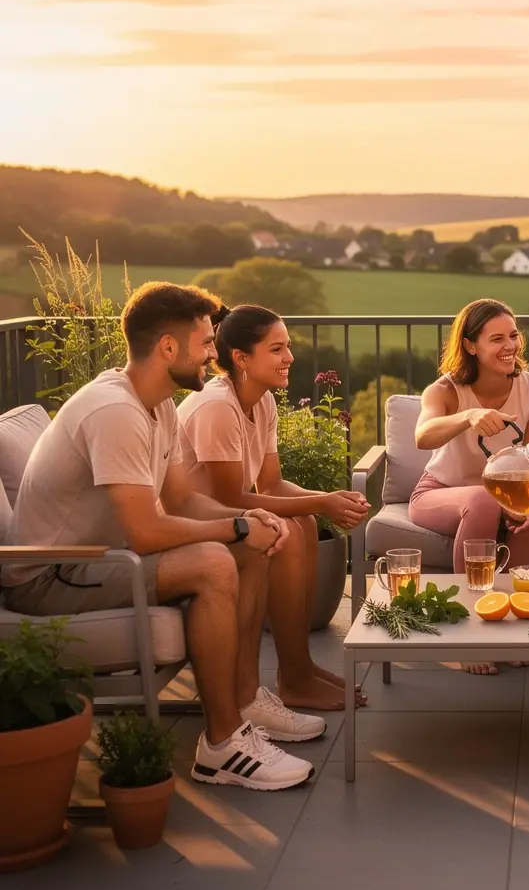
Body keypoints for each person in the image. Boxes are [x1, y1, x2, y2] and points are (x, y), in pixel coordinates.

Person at [3, 282, 321, 790]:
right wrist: (234, 527)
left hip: (102, 557)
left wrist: (247, 525)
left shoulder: (160, 405)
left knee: (248, 550)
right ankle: (221, 747)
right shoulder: (116, 411)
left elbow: (182, 501)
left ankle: (242, 704)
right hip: (51, 573)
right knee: (217, 562)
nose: (213, 356)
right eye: (205, 344)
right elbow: (147, 531)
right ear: (168, 347)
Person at [177, 305, 371, 712]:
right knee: (292, 525)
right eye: (277, 349)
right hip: (189, 524)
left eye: (288, 347)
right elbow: (229, 500)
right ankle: (296, 677)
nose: (290, 358)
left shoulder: (261, 401)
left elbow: (270, 484)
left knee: (300, 520)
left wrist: (328, 499)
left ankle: (298, 669)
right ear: (241, 358)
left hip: (220, 517)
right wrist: (323, 503)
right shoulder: (218, 406)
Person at [411, 298, 529, 676]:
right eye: (496, 339)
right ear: (471, 345)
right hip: (439, 492)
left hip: (504, 495)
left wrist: (525, 505)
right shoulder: (443, 391)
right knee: (481, 500)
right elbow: (423, 436)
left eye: (513, 335)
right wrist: (469, 415)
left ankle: (517, 627)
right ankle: (470, 634)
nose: (510, 346)